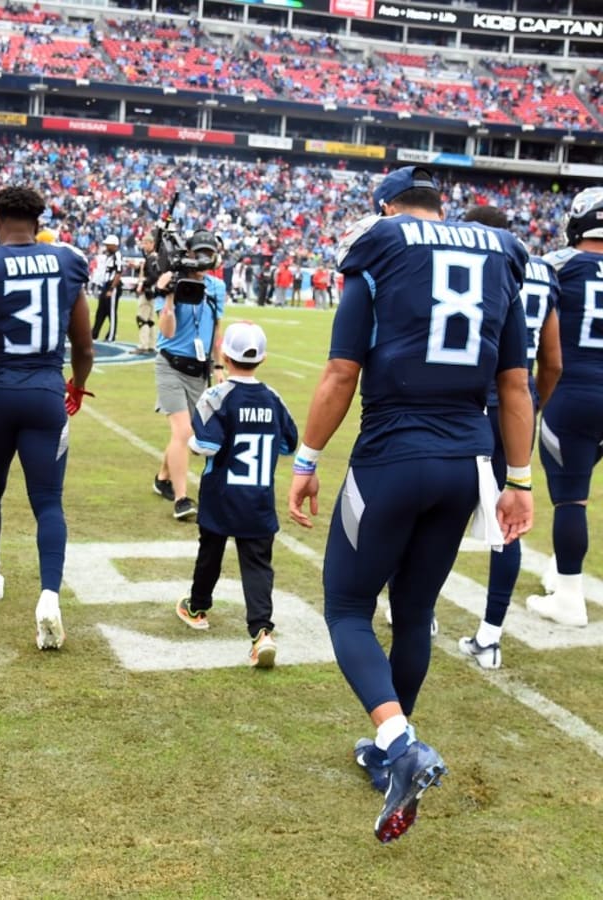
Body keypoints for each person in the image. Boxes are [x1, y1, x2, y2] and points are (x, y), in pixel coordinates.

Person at [287, 167, 534, 843]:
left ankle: (399, 742)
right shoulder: (499, 252)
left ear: (387, 206)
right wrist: (520, 481)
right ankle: (391, 750)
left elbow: (341, 371)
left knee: (345, 606)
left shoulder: (382, 242)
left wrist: (306, 460)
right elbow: (515, 385)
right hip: (466, 463)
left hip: (393, 457)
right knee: (416, 610)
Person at [0, 185, 94, 650]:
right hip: (46, 390)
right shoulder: (67, 261)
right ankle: (48, 595)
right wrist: (77, 385)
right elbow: (83, 346)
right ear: (38, 220)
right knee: (48, 501)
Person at [456, 205, 561, 667]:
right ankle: (491, 635)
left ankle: (412, 611)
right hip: (519, 404)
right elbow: (553, 360)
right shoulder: (542, 270)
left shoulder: (471, 257)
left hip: (470, 402)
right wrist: (534, 404)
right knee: (509, 522)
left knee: (433, 509)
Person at [176, 321, 298, 668]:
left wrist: (190, 440)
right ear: (262, 357)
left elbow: (206, 443)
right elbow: (289, 443)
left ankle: (198, 607)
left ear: (224, 355)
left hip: (221, 494)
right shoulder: (273, 397)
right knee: (258, 566)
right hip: (258, 497)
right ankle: (261, 633)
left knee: (210, 554)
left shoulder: (217, 396)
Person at [525, 186, 603, 627]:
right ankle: (561, 566)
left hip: (573, 390)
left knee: (571, 498)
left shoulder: (556, 265)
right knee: (582, 482)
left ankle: (570, 595)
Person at [150, 230, 226, 521]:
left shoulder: (216, 287)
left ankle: (162, 477)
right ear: (189, 253)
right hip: (170, 364)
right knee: (183, 432)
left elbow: (217, 329)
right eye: (200, 253)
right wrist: (168, 297)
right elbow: (167, 331)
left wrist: (219, 366)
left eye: (210, 252)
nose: (205, 259)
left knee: (185, 432)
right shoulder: (172, 282)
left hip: (199, 368)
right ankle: (182, 499)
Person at [130, 233, 159, 355]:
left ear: (151, 244)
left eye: (145, 243)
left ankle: (143, 345)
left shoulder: (151, 258)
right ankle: (151, 344)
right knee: (150, 319)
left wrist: (143, 283)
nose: (143, 245)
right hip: (153, 292)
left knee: (142, 318)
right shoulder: (155, 257)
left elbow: (153, 275)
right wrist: (138, 268)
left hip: (147, 291)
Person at [91, 234, 123, 341]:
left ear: (114, 245)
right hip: (105, 285)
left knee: (111, 312)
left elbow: (119, 272)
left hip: (112, 286)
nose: (106, 247)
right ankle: (94, 333)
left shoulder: (117, 255)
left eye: (108, 245)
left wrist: (111, 289)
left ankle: (111, 336)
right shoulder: (109, 256)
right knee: (101, 311)